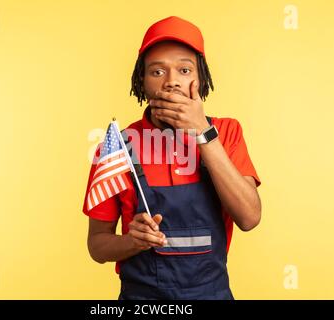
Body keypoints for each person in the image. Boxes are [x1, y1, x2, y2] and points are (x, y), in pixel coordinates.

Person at [82, 16, 262, 300]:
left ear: (200, 79)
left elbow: (250, 218)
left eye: (184, 69)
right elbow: (97, 245)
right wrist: (132, 241)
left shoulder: (226, 132)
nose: (172, 82)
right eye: (157, 72)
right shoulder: (118, 146)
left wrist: (203, 132)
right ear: (141, 81)